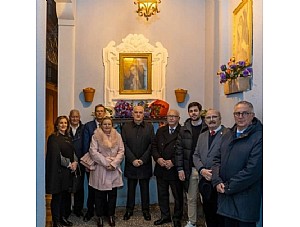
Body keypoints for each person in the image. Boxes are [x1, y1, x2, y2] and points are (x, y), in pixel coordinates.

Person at [211, 101, 263, 227]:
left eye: (245, 113)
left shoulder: (259, 137)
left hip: (245, 200)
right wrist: (216, 181)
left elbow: (253, 170)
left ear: (252, 115)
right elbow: (216, 159)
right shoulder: (227, 134)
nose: (240, 116)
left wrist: (228, 187)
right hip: (226, 200)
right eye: (237, 113)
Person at [193, 109, 228, 227]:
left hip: (220, 181)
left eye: (214, 117)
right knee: (208, 212)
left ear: (220, 119)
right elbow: (196, 155)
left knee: (221, 215)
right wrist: (202, 170)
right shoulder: (202, 136)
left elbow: (228, 158)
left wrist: (215, 174)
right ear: (205, 120)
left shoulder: (228, 134)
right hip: (205, 180)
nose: (211, 120)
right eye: (208, 117)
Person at [175, 102, 208, 227]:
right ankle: (192, 222)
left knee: (206, 198)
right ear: (188, 113)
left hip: (205, 168)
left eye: (195, 110)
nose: (193, 113)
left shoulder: (207, 127)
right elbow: (178, 150)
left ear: (200, 112)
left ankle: (208, 221)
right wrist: (180, 169)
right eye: (191, 111)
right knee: (191, 198)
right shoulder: (184, 129)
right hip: (190, 168)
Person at [89, 116, 125, 227]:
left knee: (112, 194)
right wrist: (106, 163)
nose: (107, 126)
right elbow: (93, 152)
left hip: (113, 168)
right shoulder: (96, 136)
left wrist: (113, 164)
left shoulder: (117, 135)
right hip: (101, 168)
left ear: (112, 125)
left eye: (109, 124)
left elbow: (121, 151)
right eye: (105, 124)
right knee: (99, 195)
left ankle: (111, 215)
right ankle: (99, 216)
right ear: (101, 125)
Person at [122, 105, 154, 221]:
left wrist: (142, 160)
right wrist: (133, 160)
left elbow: (152, 145)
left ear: (144, 114)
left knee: (145, 189)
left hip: (144, 164)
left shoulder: (149, 127)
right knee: (131, 189)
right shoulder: (126, 127)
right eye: (136, 112)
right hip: (131, 164)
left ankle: (146, 210)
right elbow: (124, 144)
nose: (138, 114)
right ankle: (129, 210)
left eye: (141, 112)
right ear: (132, 114)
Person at [152, 109, 183, 227]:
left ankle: (177, 218)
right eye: (169, 116)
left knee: (177, 196)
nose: (171, 118)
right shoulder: (160, 130)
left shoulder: (183, 131)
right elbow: (154, 146)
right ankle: (165, 216)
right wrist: (158, 159)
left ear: (178, 119)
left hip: (175, 169)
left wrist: (173, 162)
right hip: (161, 167)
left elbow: (184, 150)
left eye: (174, 116)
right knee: (162, 194)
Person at [46, 115, 78, 227]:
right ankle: (56, 221)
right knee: (57, 197)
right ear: (57, 125)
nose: (63, 125)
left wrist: (75, 162)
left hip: (68, 173)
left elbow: (73, 153)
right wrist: (69, 164)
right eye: (61, 123)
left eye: (65, 123)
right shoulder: (53, 138)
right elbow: (56, 156)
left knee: (66, 197)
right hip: (58, 172)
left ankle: (63, 218)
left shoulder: (68, 137)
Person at [82, 104, 108, 222]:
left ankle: (103, 212)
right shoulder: (88, 126)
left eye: (102, 111)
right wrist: (88, 164)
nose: (99, 113)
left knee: (105, 188)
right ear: (95, 113)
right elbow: (86, 145)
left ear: (105, 113)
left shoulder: (108, 126)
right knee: (92, 187)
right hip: (93, 163)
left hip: (105, 164)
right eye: (97, 111)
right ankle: (90, 211)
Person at [68, 109, 85, 217]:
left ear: (79, 117)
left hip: (81, 162)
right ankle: (67, 209)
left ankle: (78, 209)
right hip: (68, 162)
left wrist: (79, 160)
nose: (74, 118)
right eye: (72, 117)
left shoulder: (84, 129)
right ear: (69, 117)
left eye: (76, 116)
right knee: (67, 186)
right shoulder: (66, 129)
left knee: (79, 187)